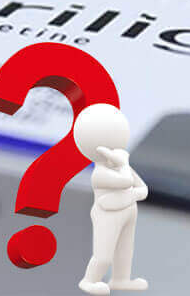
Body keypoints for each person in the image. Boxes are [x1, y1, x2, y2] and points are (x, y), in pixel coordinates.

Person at [73, 103, 149, 295]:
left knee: (124, 250)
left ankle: (121, 279)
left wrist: (130, 192)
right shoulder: (99, 174)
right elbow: (127, 182)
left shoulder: (124, 168)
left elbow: (143, 189)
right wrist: (123, 165)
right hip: (107, 216)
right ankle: (90, 281)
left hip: (128, 211)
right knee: (104, 255)